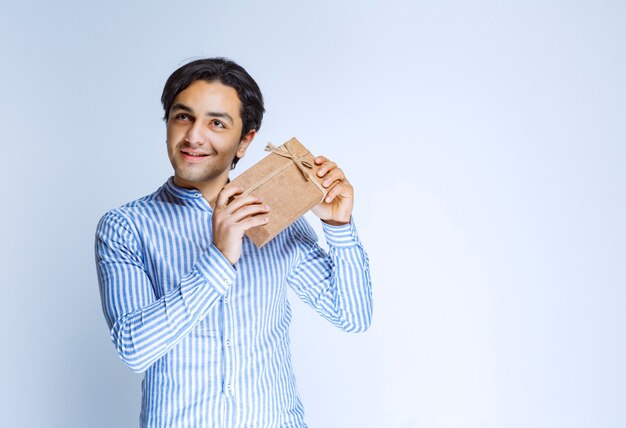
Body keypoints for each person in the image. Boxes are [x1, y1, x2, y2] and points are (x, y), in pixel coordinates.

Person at [95, 57, 372, 427]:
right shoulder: (125, 227)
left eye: (216, 123)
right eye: (183, 117)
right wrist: (219, 258)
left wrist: (339, 226)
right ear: (167, 125)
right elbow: (134, 349)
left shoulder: (277, 215)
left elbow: (352, 316)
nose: (194, 136)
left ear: (245, 141)